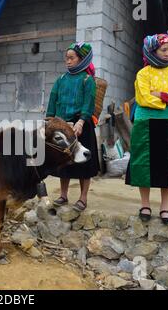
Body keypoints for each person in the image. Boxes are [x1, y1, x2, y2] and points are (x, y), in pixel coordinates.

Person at [125, 34, 168, 226]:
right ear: (152, 51)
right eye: (164, 50)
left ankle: (165, 207)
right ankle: (145, 205)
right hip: (145, 122)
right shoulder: (143, 74)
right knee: (143, 163)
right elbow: (144, 98)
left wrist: (160, 95)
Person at [46, 42, 99, 212]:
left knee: (84, 162)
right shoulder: (61, 79)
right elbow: (53, 99)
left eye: (72, 58)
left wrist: (82, 121)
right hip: (63, 125)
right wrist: (49, 121)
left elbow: (88, 102)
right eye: (66, 58)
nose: (68, 61)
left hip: (81, 125)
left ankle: (83, 198)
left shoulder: (87, 80)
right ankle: (63, 195)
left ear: (82, 60)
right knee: (64, 161)